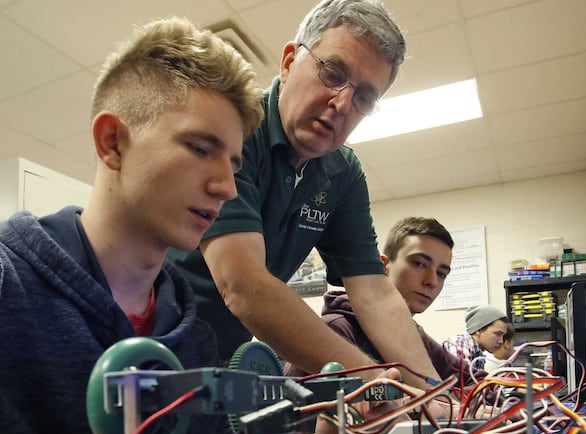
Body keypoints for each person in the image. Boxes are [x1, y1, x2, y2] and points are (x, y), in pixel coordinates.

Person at [0, 17, 264, 434]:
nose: (227, 188)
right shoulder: (8, 288)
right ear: (112, 142)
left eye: (233, 164)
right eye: (200, 148)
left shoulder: (195, 341)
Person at [168, 0, 442, 388]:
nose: (342, 104)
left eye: (364, 97)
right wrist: (379, 380)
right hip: (144, 349)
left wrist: (429, 389)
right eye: (332, 73)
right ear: (289, 61)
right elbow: (243, 286)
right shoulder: (237, 129)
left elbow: (376, 295)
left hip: (222, 365)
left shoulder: (342, 171)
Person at [284, 216, 462, 379]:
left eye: (442, 274)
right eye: (419, 264)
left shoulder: (417, 336)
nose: (432, 281)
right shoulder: (337, 328)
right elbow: (291, 406)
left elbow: (471, 379)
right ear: (383, 265)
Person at [444, 305, 509, 373]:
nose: (501, 341)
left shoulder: (479, 354)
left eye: (503, 335)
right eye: (497, 334)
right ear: (479, 330)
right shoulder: (458, 344)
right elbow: (463, 379)